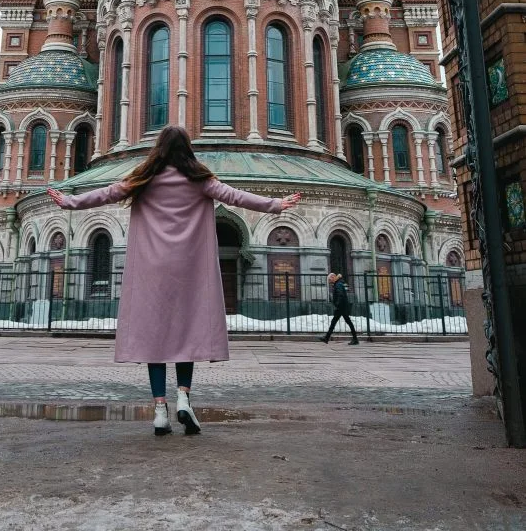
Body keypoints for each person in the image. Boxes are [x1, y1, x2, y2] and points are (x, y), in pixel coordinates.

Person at [48, 125, 301, 436]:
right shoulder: (200, 179)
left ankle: (159, 411)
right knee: (187, 334)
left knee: (155, 340)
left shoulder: (143, 178)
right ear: (187, 150)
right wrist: (275, 204)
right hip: (189, 270)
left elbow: (107, 193)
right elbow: (235, 196)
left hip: (151, 271)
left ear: (159, 148)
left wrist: (69, 201)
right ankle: (183, 398)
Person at [320, 272, 359, 345]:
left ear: (333, 277)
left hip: (341, 307)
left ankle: (327, 338)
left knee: (337, 322)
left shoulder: (338, 284)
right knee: (340, 322)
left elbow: (340, 295)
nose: (329, 282)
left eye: (329, 280)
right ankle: (327, 338)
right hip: (342, 307)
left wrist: (337, 304)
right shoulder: (338, 284)